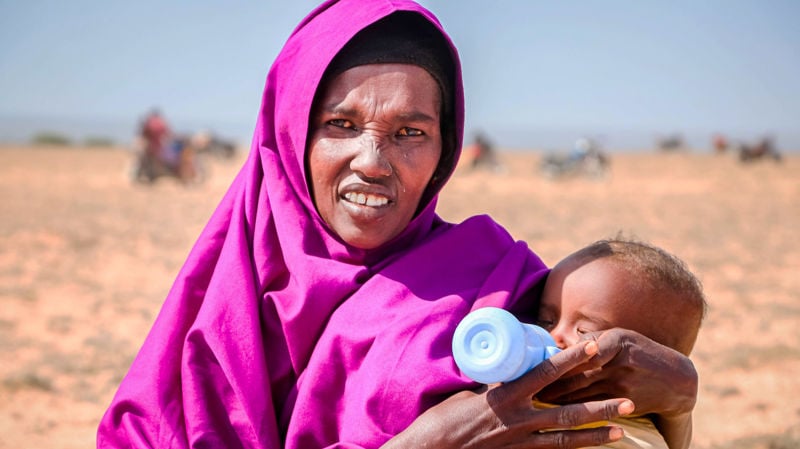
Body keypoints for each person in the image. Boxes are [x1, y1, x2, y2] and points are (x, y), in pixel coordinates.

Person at [98, 1, 699, 448]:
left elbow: (611, 424)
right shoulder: (218, 302)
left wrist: (679, 407)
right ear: (290, 137)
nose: (372, 162)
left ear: (445, 151)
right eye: (340, 125)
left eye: (411, 133)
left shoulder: (501, 286)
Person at [534, 238, 708, 449]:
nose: (553, 335)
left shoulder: (623, 440)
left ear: (649, 367)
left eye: (584, 331)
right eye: (545, 320)